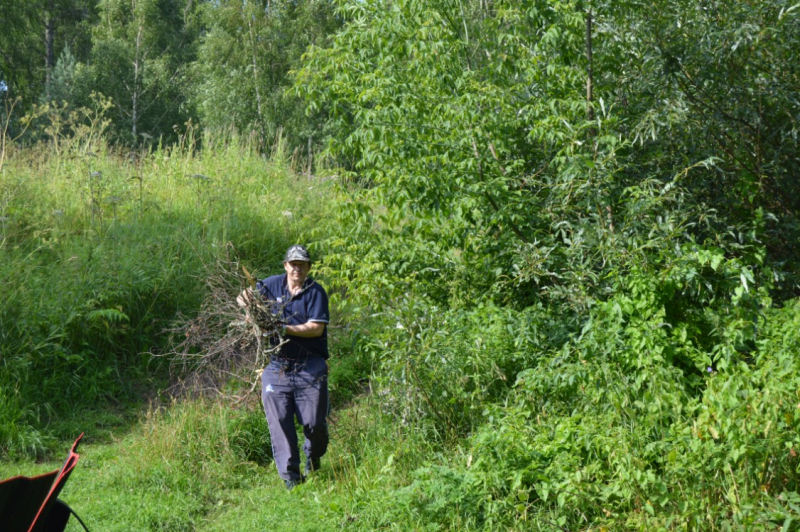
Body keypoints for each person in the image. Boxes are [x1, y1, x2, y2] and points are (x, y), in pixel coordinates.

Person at [237, 244, 330, 490]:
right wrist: (252, 312)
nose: (297, 268)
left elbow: (316, 328)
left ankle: (313, 454)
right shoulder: (270, 285)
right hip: (277, 365)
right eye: (293, 263)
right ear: (285, 265)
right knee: (279, 421)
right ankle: (291, 478)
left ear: (308, 267)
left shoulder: (315, 292)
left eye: (302, 264)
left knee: (314, 424)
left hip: (310, 366)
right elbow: (244, 296)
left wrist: (283, 329)